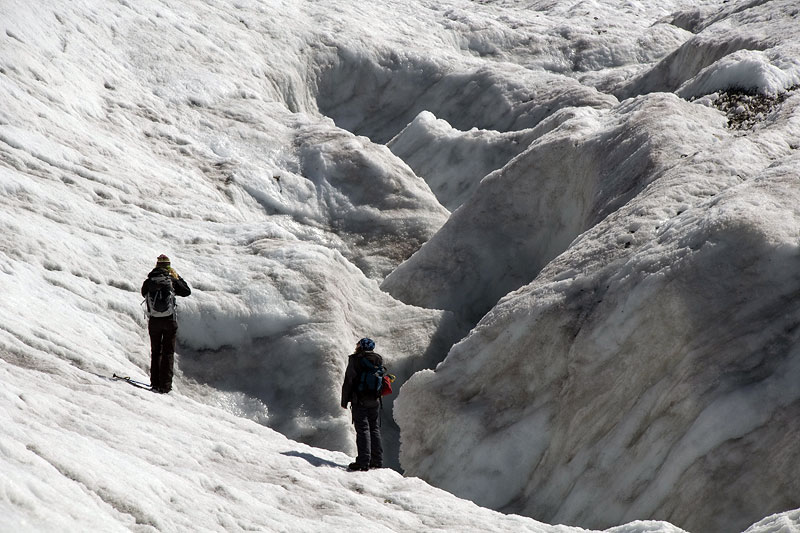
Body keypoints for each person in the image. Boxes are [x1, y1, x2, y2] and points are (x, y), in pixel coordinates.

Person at [141, 254, 191, 393]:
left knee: (156, 352)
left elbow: (143, 293)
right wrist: (177, 277)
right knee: (168, 353)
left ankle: (155, 383)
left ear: (157, 265)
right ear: (168, 266)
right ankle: (166, 386)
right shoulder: (171, 280)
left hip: (154, 321)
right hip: (169, 321)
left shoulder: (150, 280)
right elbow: (187, 292)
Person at [341, 337, 384, 471]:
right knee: (374, 429)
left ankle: (363, 461)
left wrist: (344, 401)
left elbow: (349, 381)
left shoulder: (355, 360)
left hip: (359, 400)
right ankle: (376, 460)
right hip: (375, 400)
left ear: (360, 346)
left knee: (363, 430)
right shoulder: (378, 359)